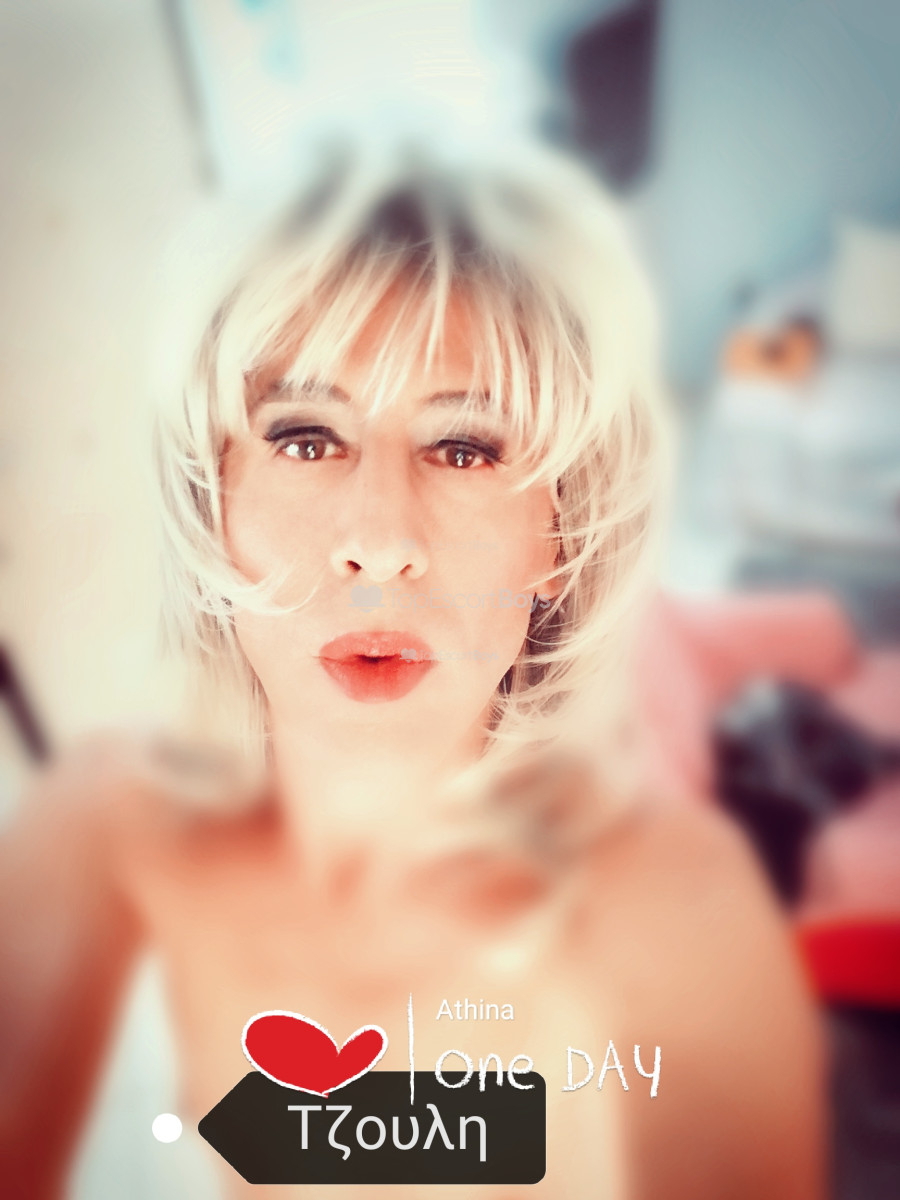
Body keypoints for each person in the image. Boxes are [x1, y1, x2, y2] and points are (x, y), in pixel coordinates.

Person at [0, 141, 826, 1199]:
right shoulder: (101, 831)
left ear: (558, 534)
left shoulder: (680, 911)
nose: (381, 542)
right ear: (214, 499)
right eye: (307, 438)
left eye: (464, 448)